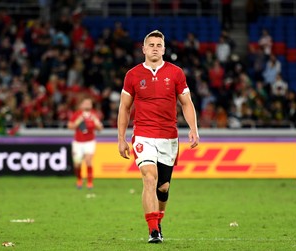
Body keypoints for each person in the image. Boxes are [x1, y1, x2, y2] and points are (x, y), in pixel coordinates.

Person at [117, 30, 199, 243]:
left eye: (158, 45)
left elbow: (186, 103)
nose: (155, 48)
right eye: (151, 44)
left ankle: (158, 219)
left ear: (164, 49)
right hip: (143, 135)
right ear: (143, 49)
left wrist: (193, 128)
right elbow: (124, 108)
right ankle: (153, 230)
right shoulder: (133, 75)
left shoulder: (176, 73)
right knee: (149, 178)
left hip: (168, 137)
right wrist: (121, 138)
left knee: (163, 187)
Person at [67, 97, 103, 189]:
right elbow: (70, 126)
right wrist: (78, 121)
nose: (87, 104)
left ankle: (90, 183)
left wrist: (96, 122)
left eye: (89, 103)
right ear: (81, 105)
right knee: (77, 163)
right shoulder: (77, 114)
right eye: (85, 103)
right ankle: (79, 179)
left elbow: (100, 129)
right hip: (78, 142)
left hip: (89, 142)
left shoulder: (94, 115)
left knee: (88, 161)